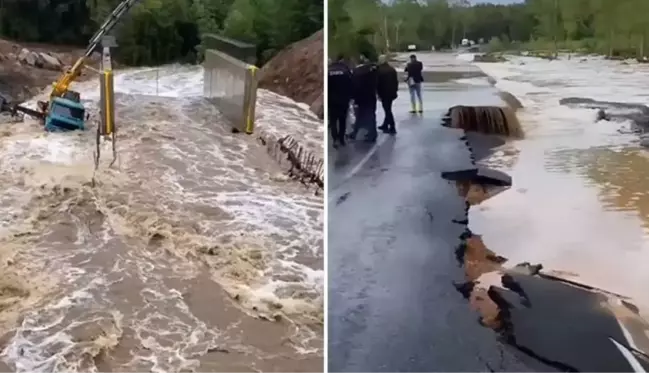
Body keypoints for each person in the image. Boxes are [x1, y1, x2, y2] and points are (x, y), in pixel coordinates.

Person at [349, 55, 379, 142]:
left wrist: (353, 97)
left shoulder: (357, 72)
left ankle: (371, 134)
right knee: (369, 115)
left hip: (361, 98)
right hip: (371, 97)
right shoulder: (371, 70)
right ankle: (369, 133)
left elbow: (354, 86)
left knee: (361, 115)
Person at [328, 54, 353, 148]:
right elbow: (351, 84)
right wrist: (351, 97)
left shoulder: (329, 70)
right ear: (342, 60)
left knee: (333, 121)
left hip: (331, 101)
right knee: (342, 120)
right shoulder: (346, 70)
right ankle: (341, 139)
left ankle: (335, 139)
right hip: (343, 100)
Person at [376, 55, 398, 134]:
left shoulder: (379, 70)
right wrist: (395, 91)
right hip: (391, 92)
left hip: (384, 93)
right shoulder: (392, 69)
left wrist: (377, 93)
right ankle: (385, 125)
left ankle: (392, 127)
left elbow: (378, 83)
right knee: (388, 108)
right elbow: (396, 82)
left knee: (387, 110)